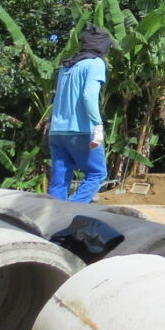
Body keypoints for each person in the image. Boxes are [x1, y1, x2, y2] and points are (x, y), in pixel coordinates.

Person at [47, 25, 114, 203]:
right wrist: (97, 125)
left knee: (59, 182)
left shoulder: (66, 66)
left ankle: (53, 218)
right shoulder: (96, 63)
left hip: (56, 131)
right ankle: (72, 211)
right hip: (81, 130)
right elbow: (88, 96)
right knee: (97, 174)